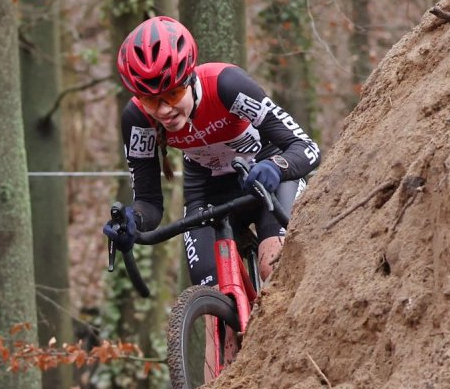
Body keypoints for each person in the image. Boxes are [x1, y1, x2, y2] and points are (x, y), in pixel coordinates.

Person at [104, 16, 320, 286]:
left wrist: (276, 167)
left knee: (274, 270)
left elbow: (307, 147)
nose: (164, 110)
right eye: (150, 99)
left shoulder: (226, 85)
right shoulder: (137, 119)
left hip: (268, 178)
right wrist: (132, 220)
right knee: (211, 291)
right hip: (207, 193)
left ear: (190, 77)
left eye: (173, 94)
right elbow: (148, 202)